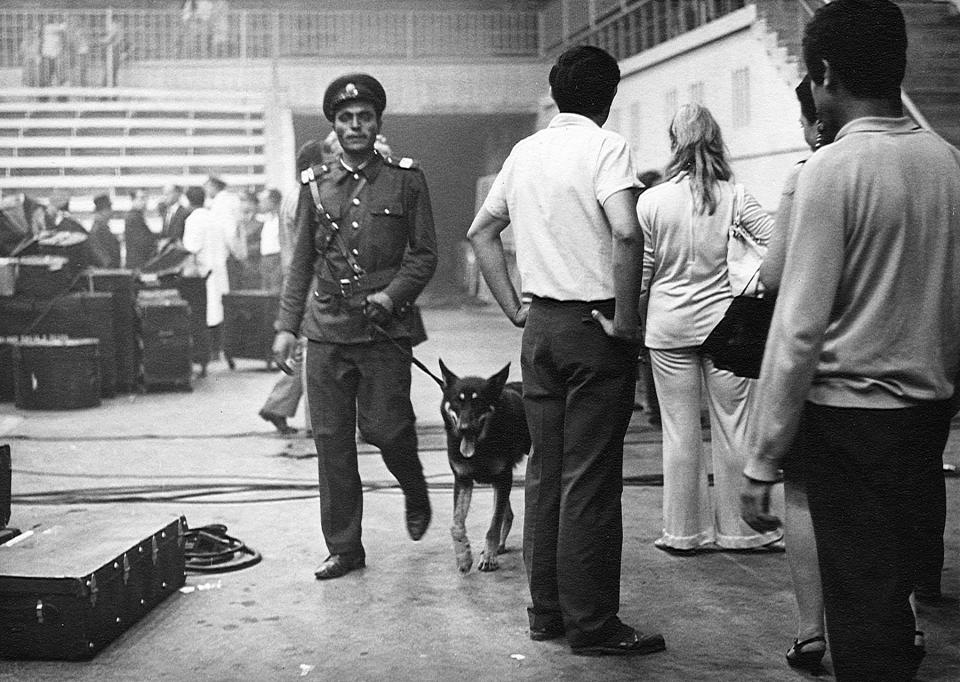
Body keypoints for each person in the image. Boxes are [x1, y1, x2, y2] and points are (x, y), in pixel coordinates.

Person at [740, 2, 960, 680]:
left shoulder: (829, 172)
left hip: (848, 425)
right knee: (893, 594)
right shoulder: (949, 163)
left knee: (860, 611)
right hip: (926, 419)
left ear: (826, 74)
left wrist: (763, 455)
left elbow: (799, 328)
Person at [467, 45, 664, 657]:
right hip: (593, 329)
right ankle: (593, 624)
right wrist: (628, 322)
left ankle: (546, 612)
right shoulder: (607, 147)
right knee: (592, 483)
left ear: (554, 92)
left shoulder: (525, 153)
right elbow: (627, 231)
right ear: (609, 98)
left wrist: (515, 308)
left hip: (541, 332)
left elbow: (481, 233)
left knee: (545, 476)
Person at [272, 74, 437, 580]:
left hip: (384, 330)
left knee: (387, 429)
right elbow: (301, 262)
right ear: (334, 126)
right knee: (332, 442)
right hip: (326, 330)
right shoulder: (315, 185)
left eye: (364, 117)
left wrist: (392, 296)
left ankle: (413, 484)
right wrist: (285, 326)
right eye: (346, 118)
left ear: (377, 122)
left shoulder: (407, 179)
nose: (355, 125)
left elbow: (425, 255)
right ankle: (345, 547)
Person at [637, 103, 781, 555]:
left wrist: (629, 320)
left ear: (674, 143)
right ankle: (742, 532)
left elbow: (641, 275)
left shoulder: (652, 201)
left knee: (680, 432)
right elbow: (780, 240)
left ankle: (683, 534)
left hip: (669, 327)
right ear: (716, 139)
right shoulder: (735, 196)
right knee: (734, 427)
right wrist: (755, 278)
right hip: (726, 328)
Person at [259, 143, 325, 436]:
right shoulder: (307, 198)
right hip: (310, 283)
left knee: (304, 352)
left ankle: (278, 406)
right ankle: (317, 422)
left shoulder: (292, 196)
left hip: (297, 281)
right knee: (313, 354)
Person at [182, 185, 229, 349]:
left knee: (204, 312)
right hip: (218, 268)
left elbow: (191, 248)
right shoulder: (214, 217)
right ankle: (218, 347)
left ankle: (206, 350)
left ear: (188, 201)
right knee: (218, 308)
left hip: (203, 273)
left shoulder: (193, 220)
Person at [204, 175, 244, 291]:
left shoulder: (225, 201)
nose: (206, 191)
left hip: (227, 254)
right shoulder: (218, 202)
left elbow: (230, 230)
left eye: (207, 187)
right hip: (224, 253)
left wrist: (236, 253)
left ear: (213, 186)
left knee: (230, 291)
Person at [123, 189, 158, 270]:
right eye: (141, 198)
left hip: (136, 262)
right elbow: (142, 241)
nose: (144, 202)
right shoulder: (134, 217)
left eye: (146, 198)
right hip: (138, 264)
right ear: (133, 200)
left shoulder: (135, 216)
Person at [257, 188, 283, 292]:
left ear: (272, 201)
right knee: (265, 292)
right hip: (265, 260)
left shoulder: (281, 219)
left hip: (276, 259)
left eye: (264, 200)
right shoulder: (267, 219)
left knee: (275, 291)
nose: (261, 203)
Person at [87, 194, 121, 268]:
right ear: (102, 211)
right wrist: (108, 265)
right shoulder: (98, 228)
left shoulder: (102, 227)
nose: (111, 212)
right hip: (106, 272)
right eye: (109, 208)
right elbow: (98, 251)